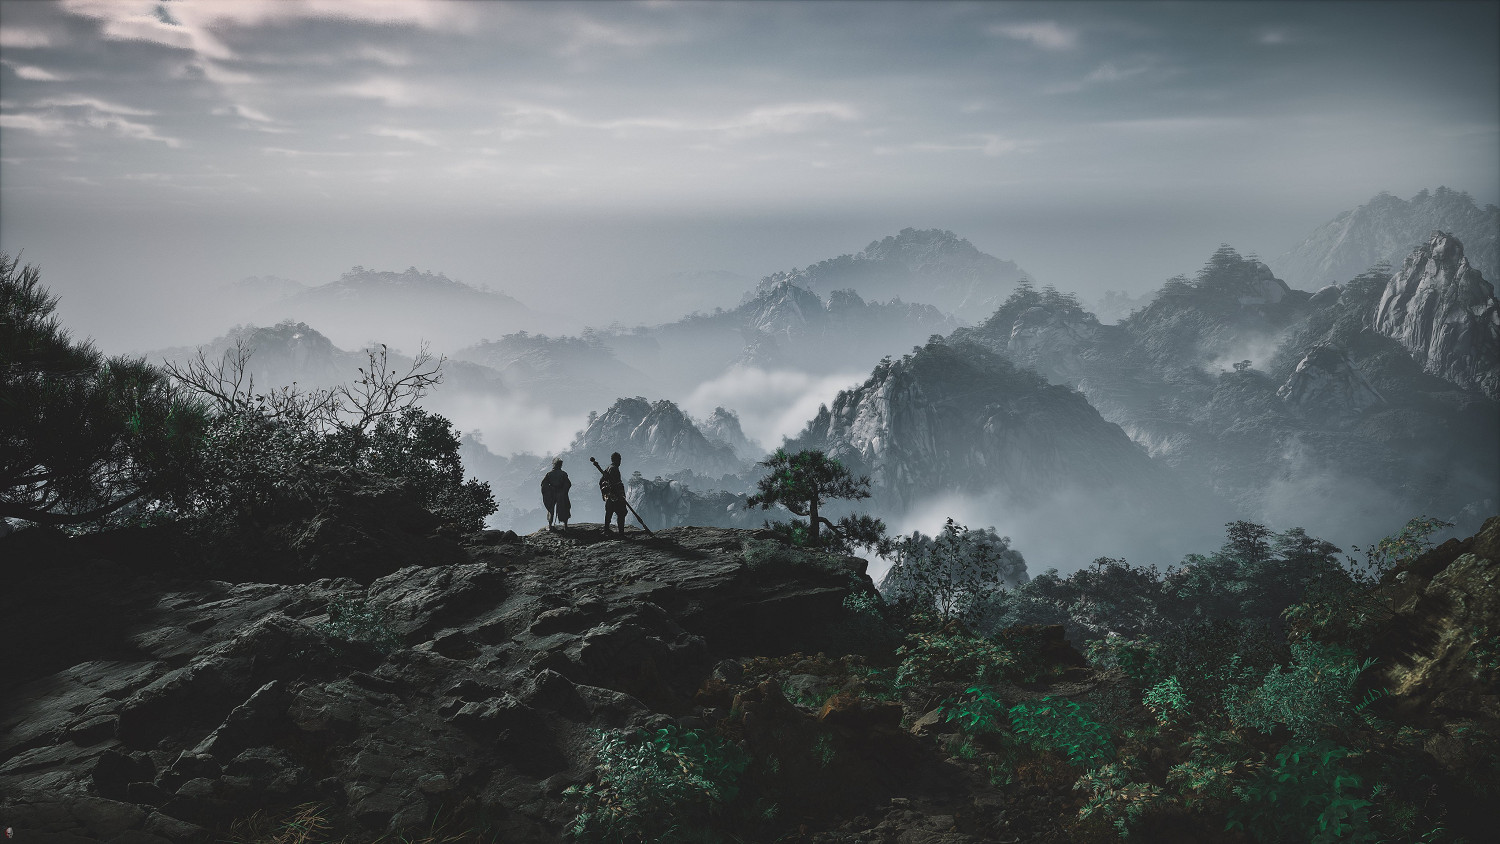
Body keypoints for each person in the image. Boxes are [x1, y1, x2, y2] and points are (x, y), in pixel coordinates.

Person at [600, 451, 627, 535]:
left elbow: (601, 481)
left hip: (610, 495)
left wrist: (606, 492)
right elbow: (617, 483)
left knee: (609, 512)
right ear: (616, 460)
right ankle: (621, 533)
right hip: (616, 495)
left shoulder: (608, 468)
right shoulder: (614, 469)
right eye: (619, 459)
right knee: (621, 513)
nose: (620, 462)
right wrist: (619, 494)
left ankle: (606, 529)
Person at [541, 458, 572, 531]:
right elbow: (568, 484)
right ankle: (565, 526)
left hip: (552, 494)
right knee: (564, 508)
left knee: (551, 509)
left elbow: (544, 484)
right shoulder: (563, 474)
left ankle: (550, 525)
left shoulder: (549, 474)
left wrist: (549, 490)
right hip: (561, 493)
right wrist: (563, 491)